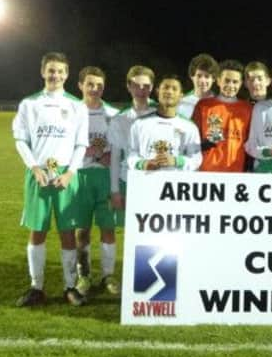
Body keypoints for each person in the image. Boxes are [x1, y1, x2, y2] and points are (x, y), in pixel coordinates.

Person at [13, 52, 89, 307]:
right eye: (51, 70)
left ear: (67, 74)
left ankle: (70, 286)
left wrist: (70, 172)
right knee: (38, 231)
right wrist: (34, 167)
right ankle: (36, 287)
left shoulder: (77, 106)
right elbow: (21, 140)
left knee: (68, 232)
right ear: (43, 72)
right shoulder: (29, 104)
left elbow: (81, 144)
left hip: (66, 177)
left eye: (59, 71)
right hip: (39, 175)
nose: (55, 75)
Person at [74, 66, 121, 297]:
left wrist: (108, 156)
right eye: (90, 84)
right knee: (82, 230)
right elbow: (63, 148)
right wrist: (92, 153)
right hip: (80, 178)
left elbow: (117, 149)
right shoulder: (72, 112)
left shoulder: (112, 114)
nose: (95, 89)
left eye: (99, 85)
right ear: (80, 85)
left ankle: (108, 275)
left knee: (108, 228)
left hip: (104, 178)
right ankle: (84, 275)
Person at [107, 66, 156, 229]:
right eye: (136, 85)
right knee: (132, 232)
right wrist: (115, 191)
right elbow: (115, 157)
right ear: (128, 86)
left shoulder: (162, 113)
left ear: (152, 87)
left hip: (158, 182)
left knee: (157, 229)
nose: (141, 90)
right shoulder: (120, 119)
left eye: (146, 86)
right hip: (129, 181)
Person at [128, 75, 202, 172]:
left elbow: (196, 159)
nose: (169, 92)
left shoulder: (189, 127)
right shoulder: (139, 124)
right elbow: (131, 154)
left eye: (174, 89)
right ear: (158, 91)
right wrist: (143, 164)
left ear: (181, 96)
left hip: (173, 185)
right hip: (146, 182)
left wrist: (176, 161)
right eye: (165, 87)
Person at [192, 60, 253, 172]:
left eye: (235, 82)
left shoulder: (248, 108)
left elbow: (250, 143)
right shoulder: (204, 105)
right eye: (227, 81)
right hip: (207, 170)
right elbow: (192, 139)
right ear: (219, 81)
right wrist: (203, 144)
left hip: (236, 172)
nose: (230, 85)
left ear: (240, 84)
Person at [177, 53, 219, 119]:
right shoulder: (180, 102)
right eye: (199, 76)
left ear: (213, 79)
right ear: (192, 76)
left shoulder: (219, 103)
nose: (202, 80)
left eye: (207, 76)